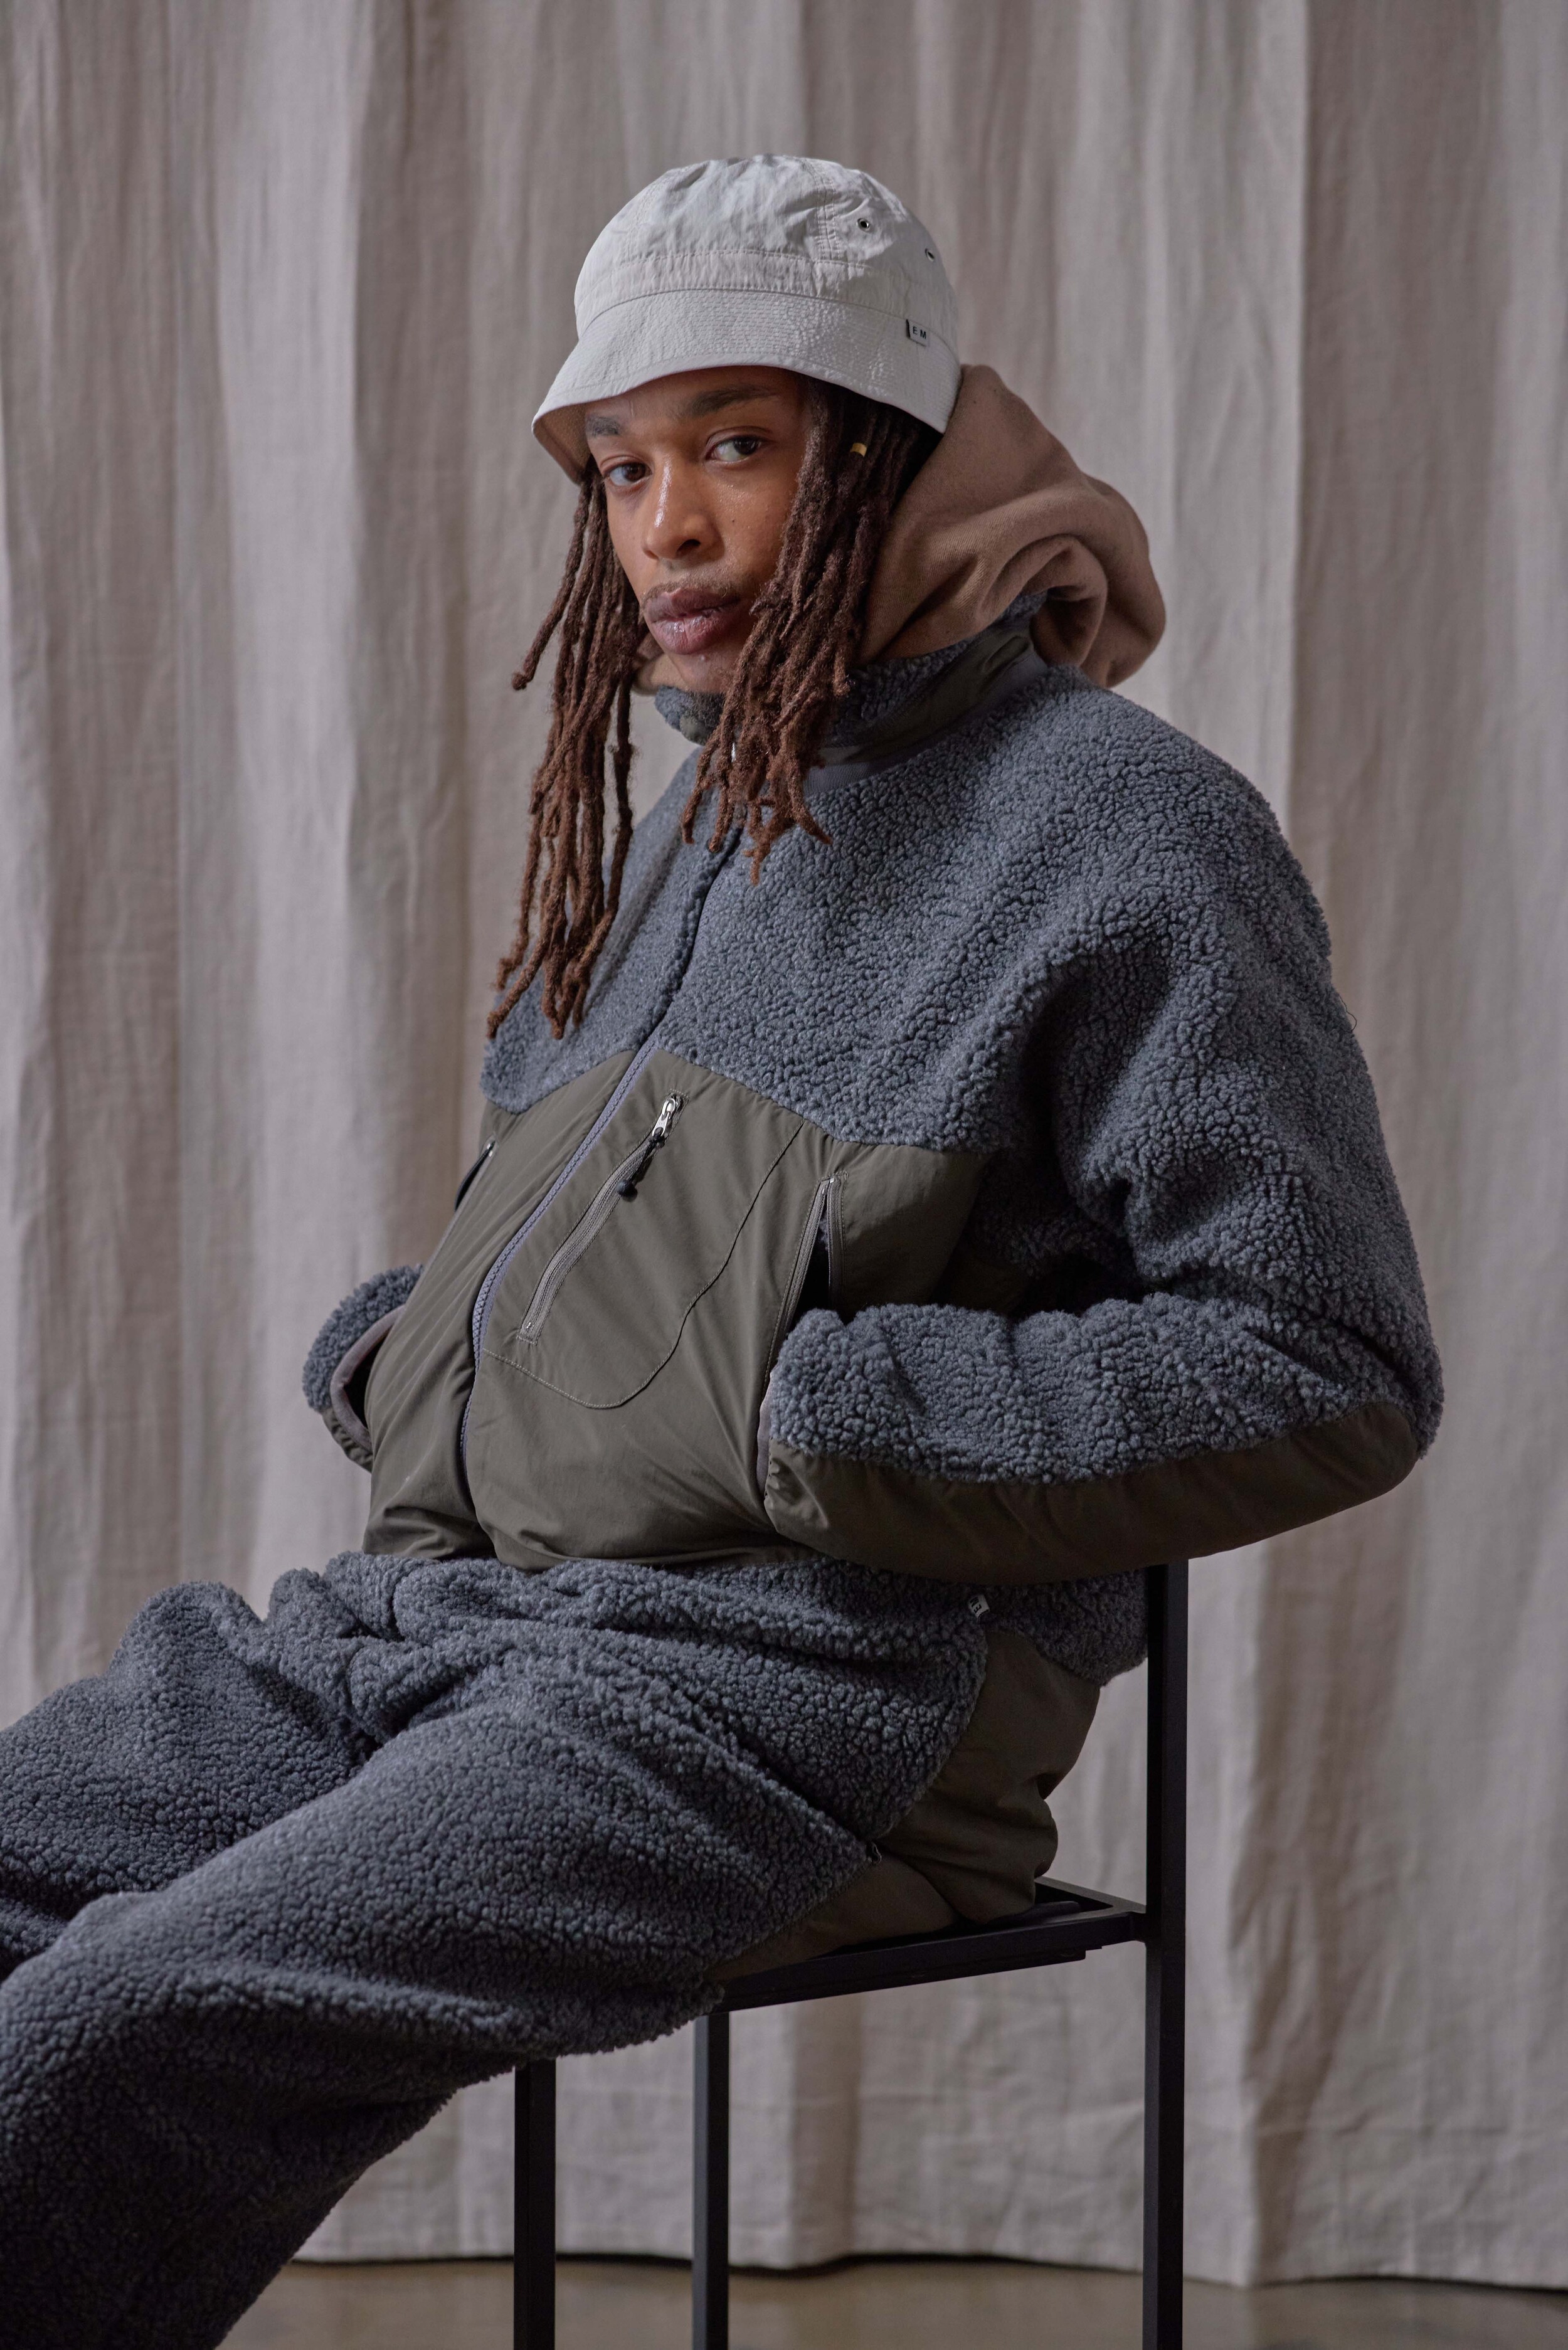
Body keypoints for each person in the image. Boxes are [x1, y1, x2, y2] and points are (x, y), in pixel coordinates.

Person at [0, 157, 1440, 2348]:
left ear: (882, 450)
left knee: (120, 2022)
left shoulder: (1126, 834)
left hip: (802, 1701)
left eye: (733, 446)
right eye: (620, 465)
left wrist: (809, 1416)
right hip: (448, 1619)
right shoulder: (699, 815)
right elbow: (608, 1279)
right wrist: (424, 1360)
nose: (662, 527)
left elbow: (1325, 1356)